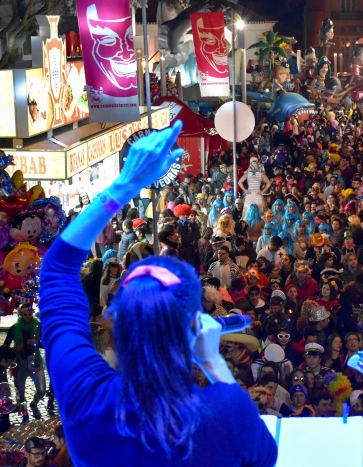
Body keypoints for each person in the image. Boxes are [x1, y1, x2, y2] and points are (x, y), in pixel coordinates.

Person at [39, 122, 277, 466]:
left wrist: (126, 184)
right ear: (193, 327)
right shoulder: (226, 411)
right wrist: (213, 363)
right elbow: (265, 458)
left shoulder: (82, 394)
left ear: (114, 324)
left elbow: (57, 268)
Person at [3, 305, 46, 421]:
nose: (27, 317)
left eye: (30, 314)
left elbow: (47, 344)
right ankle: (25, 413)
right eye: (25, 314)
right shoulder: (14, 328)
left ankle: (34, 403)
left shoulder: (39, 327)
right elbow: (4, 348)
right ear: (20, 315)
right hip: (20, 362)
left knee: (42, 390)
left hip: (35, 361)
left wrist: (37, 343)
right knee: (21, 392)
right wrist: (15, 349)